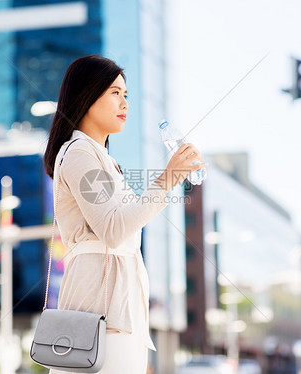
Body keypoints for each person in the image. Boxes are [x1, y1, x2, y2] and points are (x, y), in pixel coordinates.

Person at [43, 55, 208, 373]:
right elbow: (114, 228)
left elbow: (124, 223)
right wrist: (168, 178)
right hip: (98, 311)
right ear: (87, 96)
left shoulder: (104, 160)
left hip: (117, 308)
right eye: (114, 93)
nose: (124, 103)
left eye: (126, 94)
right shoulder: (79, 154)